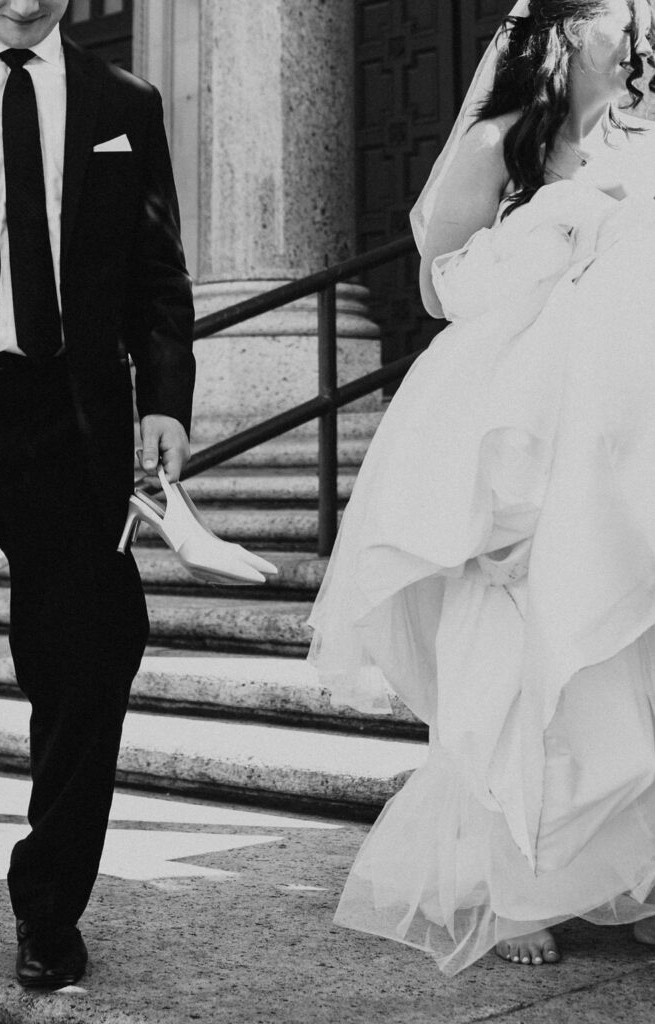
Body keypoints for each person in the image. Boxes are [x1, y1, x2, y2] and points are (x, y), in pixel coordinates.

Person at [308, 0, 655, 975]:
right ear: (551, 36)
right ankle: (506, 887)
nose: (631, 34)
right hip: (510, 421)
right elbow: (436, 287)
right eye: (609, 19)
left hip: (613, 437)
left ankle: (626, 876)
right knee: (513, 661)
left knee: (617, 660)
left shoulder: (636, 141)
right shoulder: (500, 142)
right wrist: (547, 260)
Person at [0, 0, 195, 1005]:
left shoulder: (124, 102)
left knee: (91, 661)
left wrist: (169, 406)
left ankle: (50, 911)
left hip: (75, 429)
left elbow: (158, 276)